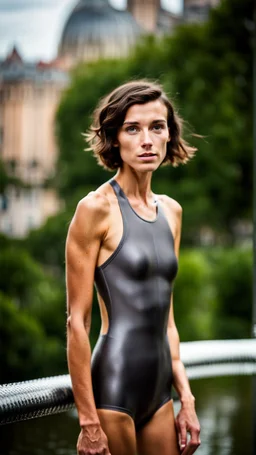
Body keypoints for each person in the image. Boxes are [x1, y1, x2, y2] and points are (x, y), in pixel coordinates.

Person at [65, 80, 201, 455]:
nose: (146, 140)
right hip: (114, 387)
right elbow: (77, 322)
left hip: (160, 392)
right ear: (114, 139)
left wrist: (185, 398)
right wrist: (88, 422)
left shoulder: (172, 212)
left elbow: (169, 322)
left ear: (169, 135)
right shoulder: (94, 209)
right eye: (132, 128)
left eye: (157, 127)